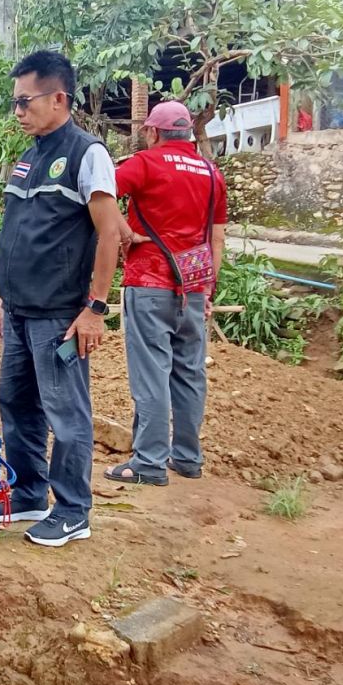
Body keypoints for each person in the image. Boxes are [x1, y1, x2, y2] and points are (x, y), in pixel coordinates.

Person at [0, 51, 121, 548]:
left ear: (59, 98)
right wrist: (3, 299)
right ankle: (30, 493)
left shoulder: (87, 153)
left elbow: (109, 234)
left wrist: (96, 309)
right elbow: (20, 232)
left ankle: (72, 511)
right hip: (19, 310)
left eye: (25, 101)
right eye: (15, 102)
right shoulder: (31, 156)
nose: (18, 111)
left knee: (66, 413)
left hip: (58, 317)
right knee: (16, 402)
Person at [107, 100, 227, 486]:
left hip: (149, 282)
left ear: (153, 132)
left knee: (151, 374)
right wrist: (207, 289)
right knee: (190, 373)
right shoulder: (211, 173)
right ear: (188, 133)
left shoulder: (144, 164)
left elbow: (99, 194)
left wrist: (124, 232)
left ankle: (149, 462)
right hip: (193, 286)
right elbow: (217, 238)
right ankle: (188, 458)